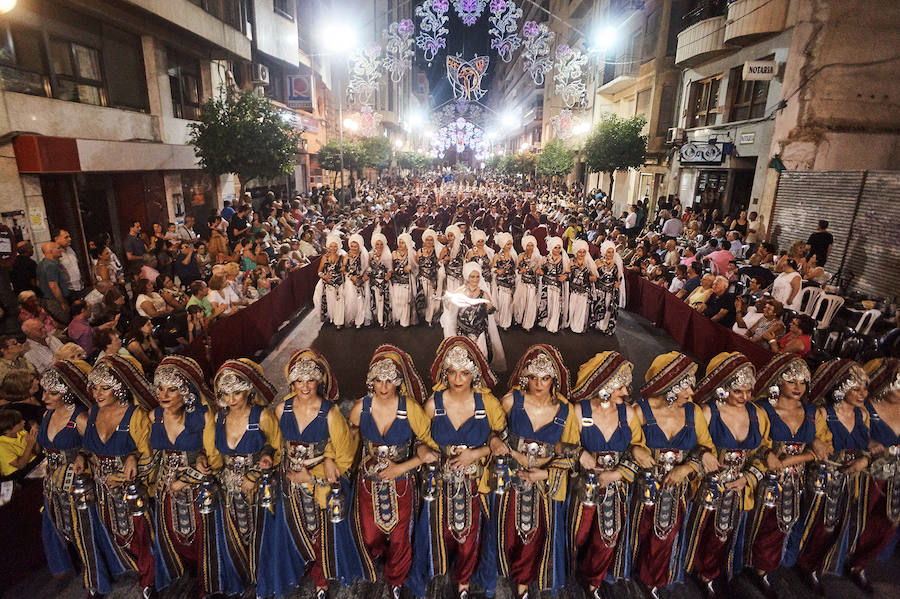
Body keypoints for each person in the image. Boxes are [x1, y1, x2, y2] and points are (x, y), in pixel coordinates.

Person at [407, 337, 506, 599]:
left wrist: (478, 452)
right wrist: (422, 450)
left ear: (474, 374)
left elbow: (504, 438)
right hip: (439, 481)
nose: (458, 378)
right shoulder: (433, 404)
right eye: (452, 372)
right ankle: (433, 571)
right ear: (445, 374)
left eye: (464, 372)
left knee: (470, 534)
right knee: (434, 529)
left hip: (475, 482)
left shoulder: (488, 404)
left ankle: (463, 581)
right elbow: (419, 437)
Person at [148, 356, 243, 598]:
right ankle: (186, 577)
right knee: (174, 537)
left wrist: (190, 473)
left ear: (186, 391)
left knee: (205, 540)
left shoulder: (203, 416)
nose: (164, 394)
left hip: (200, 491)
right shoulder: (154, 416)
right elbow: (154, 456)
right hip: (166, 489)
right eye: (160, 388)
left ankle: (210, 583)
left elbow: (214, 460)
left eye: (172, 389)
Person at [489, 345, 579, 599]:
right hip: (510, 477)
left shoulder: (565, 410)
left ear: (555, 380)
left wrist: (546, 474)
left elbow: (572, 452)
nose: (539, 384)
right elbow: (493, 429)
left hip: (545, 482)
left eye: (545, 378)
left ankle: (524, 580)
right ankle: (505, 571)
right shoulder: (510, 401)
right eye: (534, 377)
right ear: (525, 377)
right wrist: (495, 440)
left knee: (536, 534)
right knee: (507, 529)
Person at [348, 346, 437, 599]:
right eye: (378, 380)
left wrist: (403, 466)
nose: (384, 386)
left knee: (400, 534)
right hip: (368, 483)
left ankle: (397, 578)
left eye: (389, 380)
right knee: (369, 533)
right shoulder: (360, 408)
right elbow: (348, 445)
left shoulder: (409, 408)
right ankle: (378, 560)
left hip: (402, 482)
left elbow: (429, 444)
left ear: (398, 382)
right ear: (371, 381)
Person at [212, 359, 304, 598]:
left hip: (259, 489)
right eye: (226, 393)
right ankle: (239, 578)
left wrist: (258, 469)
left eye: (237, 392)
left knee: (260, 535)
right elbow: (214, 453)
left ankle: (262, 577)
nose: (231, 399)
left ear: (248, 391)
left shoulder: (262, 416)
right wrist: (204, 462)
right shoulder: (218, 419)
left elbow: (278, 447)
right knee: (231, 535)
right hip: (227, 489)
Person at [274, 349, 362, 599]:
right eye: (299, 380)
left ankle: (321, 575)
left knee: (321, 532)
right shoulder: (282, 410)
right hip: (290, 481)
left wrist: (315, 474)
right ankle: (300, 565)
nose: (304, 386)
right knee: (290, 528)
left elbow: (346, 455)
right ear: (291, 382)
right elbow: (276, 443)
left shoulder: (330, 413)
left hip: (320, 483)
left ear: (319, 381)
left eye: (310, 379)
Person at [37, 360, 130, 596]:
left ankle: (96, 582)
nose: (45, 397)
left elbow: (95, 447)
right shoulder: (47, 415)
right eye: (44, 392)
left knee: (85, 534)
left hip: (78, 485)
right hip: (52, 486)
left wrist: (81, 456)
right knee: (61, 532)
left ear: (66, 393)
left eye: (53, 392)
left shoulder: (79, 418)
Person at [77, 355, 166, 597]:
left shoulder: (135, 415)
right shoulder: (93, 412)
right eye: (94, 387)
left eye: (105, 387)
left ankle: (150, 580)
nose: (98, 393)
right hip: (102, 490)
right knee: (106, 532)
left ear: (119, 388)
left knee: (142, 533)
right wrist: (81, 456)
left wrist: (132, 459)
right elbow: (90, 447)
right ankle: (110, 575)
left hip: (132, 490)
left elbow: (152, 456)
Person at [630, 352, 716, 594]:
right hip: (641, 486)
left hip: (674, 490)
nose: (691, 393)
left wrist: (687, 467)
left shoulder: (694, 412)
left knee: (664, 535)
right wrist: (635, 449)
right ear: (669, 386)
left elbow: (706, 448)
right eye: (685, 387)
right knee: (637, 532)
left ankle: (653, 580)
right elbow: (625, 443)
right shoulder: (640, 410)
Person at [684, 353, 769, 597]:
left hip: (740, 489)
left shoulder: (757, 414)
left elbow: (763, 453)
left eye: (748, 391)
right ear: (724, 389)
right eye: (738, 392)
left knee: (726, 535)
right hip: (707, 487)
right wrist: (703, 455)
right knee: (701, 531)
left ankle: (711, 573)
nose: (745, 397)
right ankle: (696, 571)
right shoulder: (707, 412)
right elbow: (691, 445)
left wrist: (748, 478)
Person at [568, 352, 651, 598]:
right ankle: (571, 574)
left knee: (608, 536)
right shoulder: (578, 411)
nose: (626, 392)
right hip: (581, 486)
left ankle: (594, 581)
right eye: (620, 387)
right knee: (577, 535)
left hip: (614, 486)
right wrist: (580, 452)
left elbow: (640, 449)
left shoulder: (628, 414)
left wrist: (616, 474)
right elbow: (563, 446)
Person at [787, 360, 869, 594]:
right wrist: (815, 441)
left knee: (834, 525)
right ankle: (795, 561)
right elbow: (809, 435)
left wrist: (863, 460)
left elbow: (867, 447)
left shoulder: (862, 415)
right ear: (842, 389)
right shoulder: (824, 412)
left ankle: (813, 565)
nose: (863, 393)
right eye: (857, 388)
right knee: (810, 520)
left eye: (864, 388)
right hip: (820, 476)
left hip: (848, 479)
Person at [743, 355, 821, 597]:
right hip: (765, 479)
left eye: (803, 382)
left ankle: (764, 569)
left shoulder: (811, 412)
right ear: (779, 381)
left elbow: (821, 450)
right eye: (792, 381)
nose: (798, 388)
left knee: (784, 525)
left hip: (796, 480)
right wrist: (767, 452)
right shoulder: (763, 408)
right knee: (759, 524)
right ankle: (750, 565)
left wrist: (794, 459)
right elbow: (752, 442)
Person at [848, 358, 900, 592]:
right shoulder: (864, 405)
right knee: (855, 519)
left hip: (894, 478)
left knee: (886, 523)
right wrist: (867, 444)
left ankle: (859, 566)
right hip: (863, 474)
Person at [441, 262, 506, 371]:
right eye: (472, 277)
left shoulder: (483, 293)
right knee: (463, 360)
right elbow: (451, 311)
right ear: (467, 277)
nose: (475, 280)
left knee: (480, 358)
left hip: (479, 332)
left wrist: (490, 307)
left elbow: (490, 312)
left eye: (477, 277)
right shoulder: (460, 292)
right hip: (462, 332)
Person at [313, 234, 346, 329]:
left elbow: (344, 269)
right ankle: (332, 318)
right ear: (328, 246)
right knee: (330, 302)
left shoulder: (342, 256)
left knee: (339, 302)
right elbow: (319, 271)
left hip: (339, 283)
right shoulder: (325, 257)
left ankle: (339, 321)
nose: (333, 248)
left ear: (338, 246)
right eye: (331, 246)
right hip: (328, 284)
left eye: (335, 246)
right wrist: (324, 276)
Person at [538, 237, 569, 334]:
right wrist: (540, 271)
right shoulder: (545, 258)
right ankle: (544, 322)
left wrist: (565, 276)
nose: (557, 250)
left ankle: (553, 325)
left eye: (559, 247)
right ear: (551, 247)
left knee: (555, 305)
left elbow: (568, 273)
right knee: (546, 304)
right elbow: (541, 271)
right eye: (555, 247)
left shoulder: (564, 259)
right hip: (546, 286)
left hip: (557, 286)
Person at [594, 241, 626, 335]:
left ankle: (604, 326)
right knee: (598, 307)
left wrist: (618, 283)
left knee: (608, 309)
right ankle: (596, 324)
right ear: (604, 252)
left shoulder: (616, 264)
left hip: (610, 291)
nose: (611, 254)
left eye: (613, 252)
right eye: (609, 252)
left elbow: (619, 278)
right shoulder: (598, 262)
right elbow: (592, 275)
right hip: (599, 290)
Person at [512, 234, 543, 332]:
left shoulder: (538, 258)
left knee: (530, 304)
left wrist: (539, 272)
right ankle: (518, 319)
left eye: (532, 245)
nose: (530, 248)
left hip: (532, 284)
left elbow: (540, 271)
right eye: (528, 245)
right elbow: (515, 269)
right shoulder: (521, 256)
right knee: (521, 303)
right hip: (522, 283)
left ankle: (528, 324)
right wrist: (520, 271)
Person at [568, 239, 598, 334]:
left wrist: (592, 278)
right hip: (573, 290)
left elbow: (595, 277)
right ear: (576, 252)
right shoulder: (571, 262)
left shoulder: (589, 263)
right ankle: (570, 324)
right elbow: (567, 275)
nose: (581, 254)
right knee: (572, 308)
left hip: (584, 291)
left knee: (581, 309)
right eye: (579, 252)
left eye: (584, 252)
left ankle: (579, 326)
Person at [0, 408, 39, 479]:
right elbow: (20, 465)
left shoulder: (21, 432)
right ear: (7, 430)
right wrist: (29, 445)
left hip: (34, 464)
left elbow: (36, 452)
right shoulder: (1, 446)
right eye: (19, 422)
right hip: (18, 475)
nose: (24, 421)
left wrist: (36, 436)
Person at [38, 241, 70, 324]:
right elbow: (53, 286)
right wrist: (62, 302)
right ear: (50, 251)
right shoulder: (51, 265)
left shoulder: (41, 264)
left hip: (47, 300)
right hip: (55, 301)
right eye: (58, 248)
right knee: (65, 322)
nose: (60, 250)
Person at [343, 233, 370, 329]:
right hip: (351, 280)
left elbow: (368, 269)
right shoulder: (347, 255)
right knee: (351, 301)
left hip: (362, 280)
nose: (353, 248)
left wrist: (362, 279)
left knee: (361, 301)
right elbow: (343, 269)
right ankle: (353, 318)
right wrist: (351, 277)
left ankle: (360, 320)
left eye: (356, 246)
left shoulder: (364, 255)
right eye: (352, 246)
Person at [490, 232, 517, 330]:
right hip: (501, 284)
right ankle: (500, 321)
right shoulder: (497, 256)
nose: (509, 246)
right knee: (501, 303)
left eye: (510, 244)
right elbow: (492, 268)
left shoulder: (513, 256)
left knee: (508, 303)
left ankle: (506, 322)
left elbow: (515, 269)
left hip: (511, 284)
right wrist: (497, 270)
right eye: (507, 244)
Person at [391, 233, 418, 328]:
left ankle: (405, 321)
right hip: (396, 281)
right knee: (397, 300)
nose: (400, 245)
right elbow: (392, 268)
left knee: (406, 302)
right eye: (400, 242)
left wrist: (411, 267)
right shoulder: (394, 253)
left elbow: (416, 268)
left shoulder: (412, 254)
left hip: (407, 282)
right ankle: (397, 319)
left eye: (403, 243)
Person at [417, 229, 443, 326]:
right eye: (427, 240)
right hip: (422, 279)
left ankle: (429, 319)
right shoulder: (419, 251)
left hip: (433, 279)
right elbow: (416, 264)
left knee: (432, 300)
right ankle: (423, 317)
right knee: (423, 299)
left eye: (431, 240)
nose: (429, 242)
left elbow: (440, 263)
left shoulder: (437, 251)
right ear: (424, 240)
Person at [441, 224, 468, 293]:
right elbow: (438, 262)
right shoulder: (445, 248)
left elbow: (468, 260)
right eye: (448, 236)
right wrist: (444, 260)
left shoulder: (464, 248)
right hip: (450, 277)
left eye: (452, 236)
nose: (450, 238)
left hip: (461, 276)